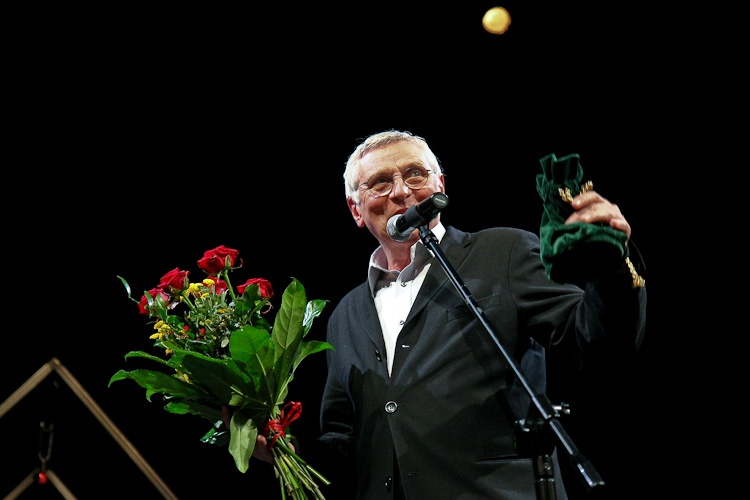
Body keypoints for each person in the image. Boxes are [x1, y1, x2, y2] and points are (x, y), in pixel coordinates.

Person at [251, 129, 647, 499]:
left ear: (440, 186)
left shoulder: (503, 252)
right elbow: (345, 441)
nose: (402, 191)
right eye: (380, 182)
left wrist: (611, 266)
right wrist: (283, 449)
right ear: (356, 209)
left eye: (415, 174)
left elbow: (598, 343)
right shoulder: (345, 316)